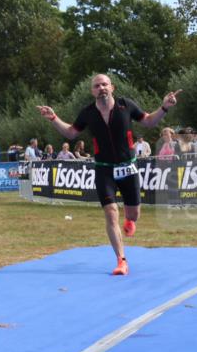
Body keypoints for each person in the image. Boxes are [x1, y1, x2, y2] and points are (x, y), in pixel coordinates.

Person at [38, 73, 180, 275]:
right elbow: (71, 133)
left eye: (104, 84)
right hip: (104, 169)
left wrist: (165, 107)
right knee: (111, 212)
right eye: (97, 86)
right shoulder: (88, 113)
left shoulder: (126, 105)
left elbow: (148, 121)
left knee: (133, 214)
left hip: (128, 167)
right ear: (92, 91)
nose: (101, 88)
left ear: (112, 87)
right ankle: (121, 260)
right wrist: (53, 118)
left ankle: (130, 221)